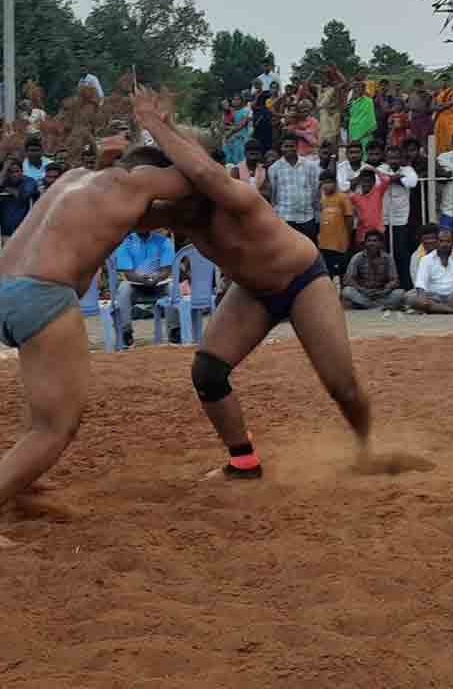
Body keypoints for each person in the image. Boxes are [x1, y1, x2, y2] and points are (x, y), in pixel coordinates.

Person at [0, 141, 202, 549]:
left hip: (4, 289)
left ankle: (26, 488)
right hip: (42, 295)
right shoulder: (135, 184)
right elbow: (198, 175)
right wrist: (162, 129)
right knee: (56, 426)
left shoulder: (75, 179)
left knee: (40, 410)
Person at [131, 84, 372, 484]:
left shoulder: (233, 193)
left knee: (341, 386)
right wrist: (113, 167)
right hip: (253, 293)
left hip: (303, 281)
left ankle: (368, 448)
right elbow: (128, 211)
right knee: (208, 372)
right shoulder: (179, 214)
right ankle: (244, 461)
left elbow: (202, 172)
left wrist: (154, 124)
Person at [114, 229, 179, 346]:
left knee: (172, 287)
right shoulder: (126, 242)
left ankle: (175, 331)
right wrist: (141, 279)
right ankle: (126, 332)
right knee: (123, 288)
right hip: (135, 285)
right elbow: (128, 274)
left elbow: (166, 270)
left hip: (159, 284)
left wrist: (157, 277)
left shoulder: (164, 241)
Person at [376, 144, 419, 287]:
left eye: (396, 157)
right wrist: (395, 179)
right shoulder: (381, 169)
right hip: (383, 216)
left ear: (401, 158)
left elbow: (412, 182)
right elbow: (378, 181)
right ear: (386, 158)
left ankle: (405, 285)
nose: (393, 160)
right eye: (390, 158)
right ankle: (384, 284)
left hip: (401, 217)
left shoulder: (408, 170)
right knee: (384, 252)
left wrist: (394, 179)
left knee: (401, 251)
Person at [408, 228, 453, 314]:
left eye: (448, 241)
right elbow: (421, 282)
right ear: (436, 242)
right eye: (441, 241)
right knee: (411, 297)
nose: (444, 244)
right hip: (434, 296)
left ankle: (437, 308)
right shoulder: (426, 259)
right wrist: (421, 296)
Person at [268, 137, 321, 242]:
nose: (289, 149)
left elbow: (315, 189)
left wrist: (316, 212)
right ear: (281, 148)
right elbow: (273, 194)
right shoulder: (274, 168)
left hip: (307, 217)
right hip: (285, 217)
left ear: (297, 147)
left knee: (308, 247)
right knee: (288, 248)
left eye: (291, 146)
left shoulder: (310, 165)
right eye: (286, 146)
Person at [342, 230, 405, 310]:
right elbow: (349, 279)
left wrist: (385, 290)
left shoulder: (388, 258)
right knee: (347, 291)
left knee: (400, 293)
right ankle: (378, 306)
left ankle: (368, 306)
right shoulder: (357, 257)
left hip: (381, 294)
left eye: (375, 241)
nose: (371, 243)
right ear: (365, 243)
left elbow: (394, 280)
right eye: (369, 241)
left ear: (381, 243)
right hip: (363, 293)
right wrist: (363, 290)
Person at [0, 158, 41, 245]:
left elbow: (23, 195)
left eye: (17, 171)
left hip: (25, 229)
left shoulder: (29, 181)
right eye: (11, 172)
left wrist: (8, 189)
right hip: (7, 231)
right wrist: (4, 169)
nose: (14, 174)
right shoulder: (5, 181)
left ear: (22, 171)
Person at [317, 174, 352, 278]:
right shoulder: (323, 199)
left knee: (341, 273)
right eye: (323, 183)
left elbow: (349, 218)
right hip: (324, 244)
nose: (326, 185)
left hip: (339, 244)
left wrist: (347, 237)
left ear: (335, 183)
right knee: (327, 273)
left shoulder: (343, 197)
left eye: (328, 182)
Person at [432, 76, 453, 155]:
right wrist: (439, 106)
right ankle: (440, 155)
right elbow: (433, 106)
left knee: (450, 137)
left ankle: (451, 155)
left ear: (449, 81)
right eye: (442, 80)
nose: (444, 82)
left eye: (446, 80)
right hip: (440, 118)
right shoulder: (437, 93)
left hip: (450, 118)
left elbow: (451, 102)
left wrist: (440, 106)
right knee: (439, 137)